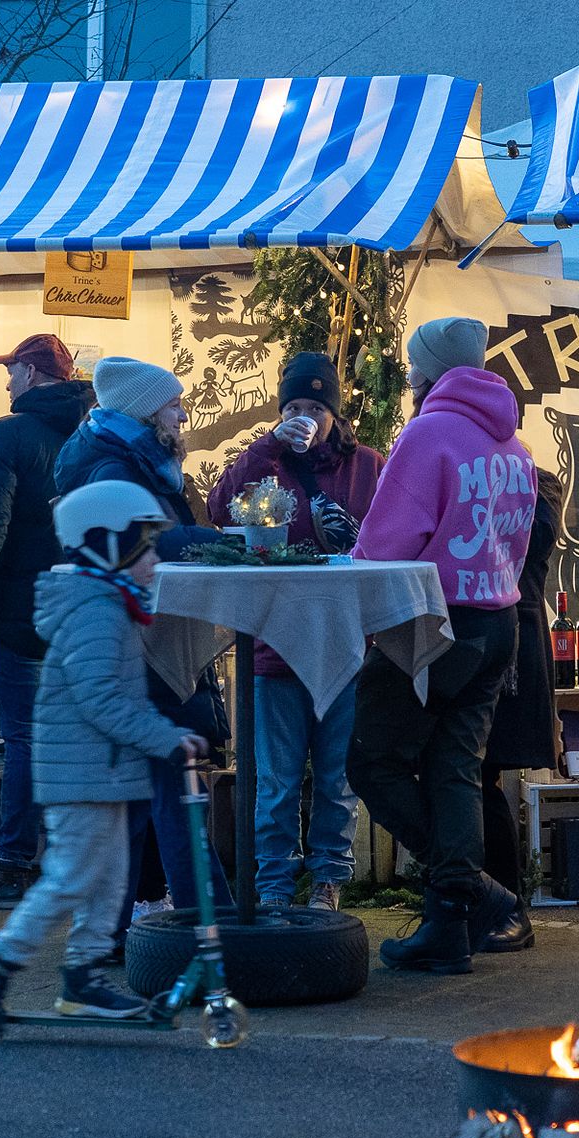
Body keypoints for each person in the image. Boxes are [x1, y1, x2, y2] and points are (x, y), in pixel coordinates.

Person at [0, 481, 208, 1036]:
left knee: (110, 880)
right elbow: (102, 699)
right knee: (70, 878)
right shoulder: (95, 613)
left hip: (103, 770)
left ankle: (83, 977)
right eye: (144, 547)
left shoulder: (108, 605)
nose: (153, 559)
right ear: (106, 546)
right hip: (80, 772)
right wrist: (166, 738)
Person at [347, 317, 538, 975]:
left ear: (431, 370)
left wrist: (348, 571)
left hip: (431, 620)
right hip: (497, 623)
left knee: (372, 760)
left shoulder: (429, 432)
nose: (406, 375)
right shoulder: (512, 444)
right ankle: (449, 927)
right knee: (456, 765)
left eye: (410, 365)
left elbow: (385, 542)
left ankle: (467, 889)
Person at [54, 357, 230, 929]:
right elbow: (147, 541)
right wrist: (226, 542)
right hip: (133, 642)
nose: (183, 414)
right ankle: (206, 917)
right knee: (170, 780)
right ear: (144, 411)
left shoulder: (131, 458)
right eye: (173, 404)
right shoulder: (114, 465)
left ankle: (118, 925)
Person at [205, 352, 384, 911]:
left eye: (314, 406)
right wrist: (266, 447)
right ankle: (275, 887)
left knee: (336, 778)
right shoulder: (267, 460)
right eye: (293, 406)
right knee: (277, 783)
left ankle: (329, 881)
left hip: (346, 645)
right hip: (274, 648)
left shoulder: (369, 467)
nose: (304, 415)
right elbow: (218, 509)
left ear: (334, 410)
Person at [0, 334, 93, 910]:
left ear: (31, 373)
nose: (7, 383)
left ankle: (10, 866)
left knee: (25, 740)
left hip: (23, 611)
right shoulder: (93, 432)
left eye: (11, 372)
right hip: (84, 611)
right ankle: (78, 867)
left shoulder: (10, 434)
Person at [477, 459, 566, 955]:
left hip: (511, 635)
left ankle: (506, 906)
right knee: (469, 775)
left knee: (480, 773)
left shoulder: (536, 481)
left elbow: (530, 541)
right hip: (472, 631)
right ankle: (482, 900)